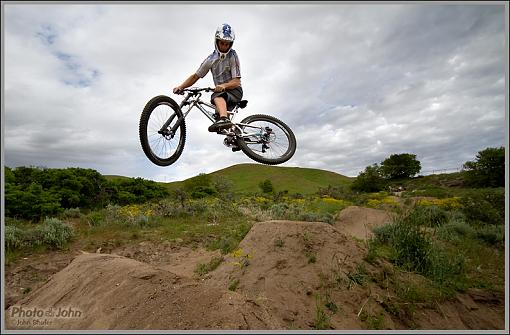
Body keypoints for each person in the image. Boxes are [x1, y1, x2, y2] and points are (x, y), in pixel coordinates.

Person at [173, 23, 243, 132]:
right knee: (220, 124)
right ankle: (235, 136)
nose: (224, 46)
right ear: (216, 42)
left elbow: (236, 82)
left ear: (231, 44)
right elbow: (196, 76)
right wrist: (181, 86)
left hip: (234, 91)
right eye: (222, 43)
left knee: (217, 97)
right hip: (222, 93)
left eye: (227, 44)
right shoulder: (210, 60)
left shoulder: (233, 56)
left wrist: (223, 86)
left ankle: (224, 119)